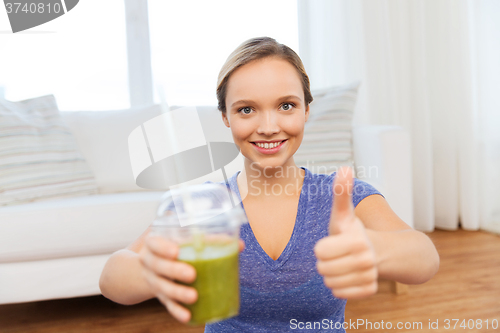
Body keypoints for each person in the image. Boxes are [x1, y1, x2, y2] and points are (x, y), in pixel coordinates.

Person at [99, 37, 439, 332]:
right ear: (225, 118)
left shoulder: (342, 196)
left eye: (286, 105)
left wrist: (376, 249)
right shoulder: (203, 205)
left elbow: (425, 259)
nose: (268, 126)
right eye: (246, 110)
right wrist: (150, 271)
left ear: (306, 110)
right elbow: (112, 279)